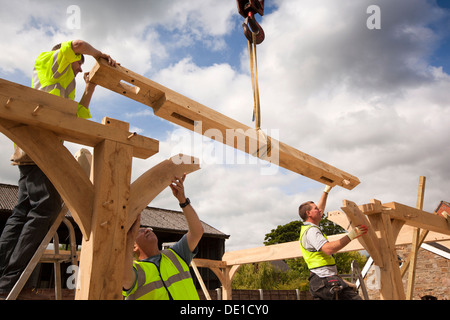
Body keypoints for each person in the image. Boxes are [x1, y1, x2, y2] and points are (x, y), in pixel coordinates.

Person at [0, 40, 117, 297]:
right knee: (46, 209)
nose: (79, 69)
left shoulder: (64, 83)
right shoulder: (50, 61)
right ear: (66, 56)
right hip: (40, 145)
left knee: (23, 211)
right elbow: (77, 42)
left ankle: (4, 276)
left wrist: (91, 85)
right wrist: (99, 55)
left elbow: (79, 113)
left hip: (34, 147)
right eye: (79, 63)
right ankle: (10, 279)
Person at [123, 174, 204, 300]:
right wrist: (128, 239)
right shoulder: (136, 270)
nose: (147, 230)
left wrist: (183, 201)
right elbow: (125, 279)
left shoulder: (176, 255)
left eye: (148, 229)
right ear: (134, 246)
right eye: (140, 231)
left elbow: (197, 231)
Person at [298, 185, 368, 300]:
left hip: (321, 280)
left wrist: (326, 191)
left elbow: (319, 209)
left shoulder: (308, 228)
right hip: (323, 279)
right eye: (315, 209)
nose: (320, 210)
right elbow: (328, 249)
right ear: (309, 213)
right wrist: (351, 235)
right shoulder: (312, 232)